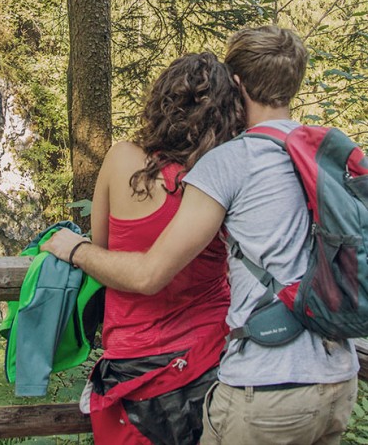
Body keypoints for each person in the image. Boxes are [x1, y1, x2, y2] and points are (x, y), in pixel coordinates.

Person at [45, 26, 359, 445]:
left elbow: (146, 273)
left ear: (238, 84)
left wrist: (76, 249)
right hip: (334, 376)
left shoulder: (226, 165)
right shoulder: (320, 152)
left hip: (261, 383)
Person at [84, 52, 245, 445]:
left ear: (161, 102)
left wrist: (72, 250)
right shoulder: (221, 177)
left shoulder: (122, 159)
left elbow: (100, 249)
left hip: (132, 367)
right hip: (214, 362)